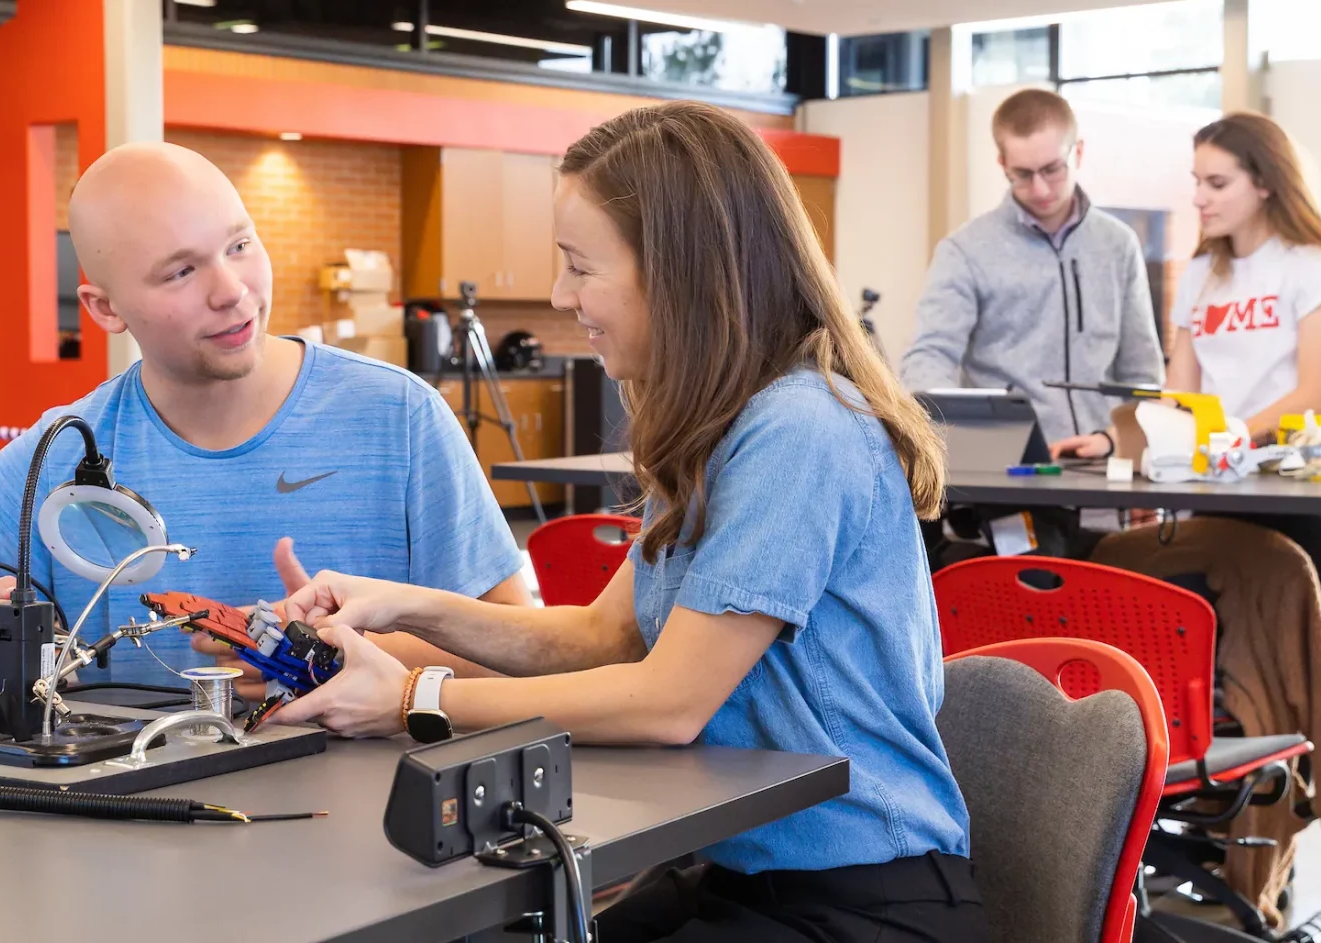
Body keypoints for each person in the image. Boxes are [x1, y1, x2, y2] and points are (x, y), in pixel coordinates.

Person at [268, 102, 989, 943]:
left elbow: (667, 701)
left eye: (580, 266)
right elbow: (600, 636)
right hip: (744, 875)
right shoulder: (728, 428)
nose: (559, 294)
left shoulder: (801, 433)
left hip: (865, 901)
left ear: (680, 275)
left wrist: (413, 698)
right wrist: (401, 605)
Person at [0, 141, 528, 687]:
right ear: (105, 309)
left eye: (239, 245)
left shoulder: (400, 417)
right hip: (129, 826)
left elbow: (518, 642)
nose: (232, 292)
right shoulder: (64, 450)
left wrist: (337, 661)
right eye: (181, 272)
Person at [1051, 112, 1321, 589]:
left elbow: (1315, 395)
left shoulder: (1315, 269)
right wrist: (1112, 440)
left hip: (1292, 492)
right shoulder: (1203, 271)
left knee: (1280, 657)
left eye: (1218, 183)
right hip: (1213, 486)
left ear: (1265, 182)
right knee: (1198, 647)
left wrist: (1224, 439)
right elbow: (1179, 395)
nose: (1199, 198)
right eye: (1198, 181)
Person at [900, 87, 1163, 445]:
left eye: (1052, 169)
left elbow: (1141, 372)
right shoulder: (964, 250)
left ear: (1078, 152)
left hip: (1105, 463)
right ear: (1002, 165)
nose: (1040, 189)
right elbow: (929, 358)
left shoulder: (1118, 244)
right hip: (1010, 468)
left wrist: (1128, 444)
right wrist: (961, 440)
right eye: (1022, 174)